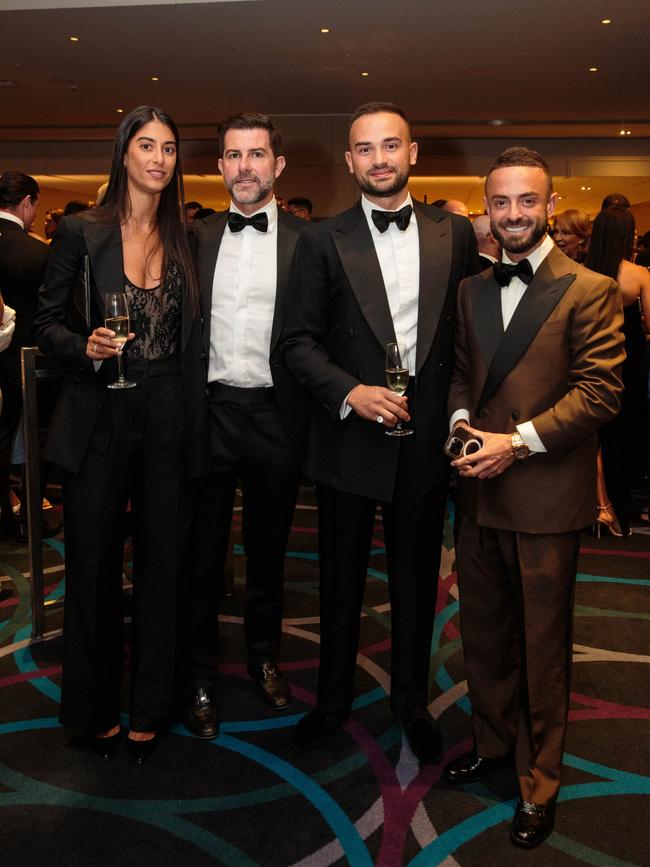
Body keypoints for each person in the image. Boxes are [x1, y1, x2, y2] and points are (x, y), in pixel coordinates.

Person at [282, 101, 480, 763]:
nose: (379, 158)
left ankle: (410, 702)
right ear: (350, 160)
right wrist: (350, 391)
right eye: (365, 148)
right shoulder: (319, 239)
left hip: (424, 447)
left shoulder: (455, 235)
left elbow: (468, 337)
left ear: (413, 152)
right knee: (337, 582)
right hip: (348, 441)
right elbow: (297, 342)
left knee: (418, 584)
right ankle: (331, 700)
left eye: (390, 145)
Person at [444, 146, 624, 848]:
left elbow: (599, 393)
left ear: (549, 205)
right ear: (487, 209)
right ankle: (493, 745)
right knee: (483, 635)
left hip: (545, 494)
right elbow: (462, 374)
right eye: (501, 202)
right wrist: (459, 425)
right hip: (479, 493)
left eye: (527, 201)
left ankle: (539, 780)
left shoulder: (588, 288)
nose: (513, 214)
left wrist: (514, 443)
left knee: (543, 647)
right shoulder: (470, 290)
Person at [33, 105, 209, 764]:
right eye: (147, 145)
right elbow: (44, 324)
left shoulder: (189, 236)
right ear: (124, 153)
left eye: (169, 147)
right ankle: (92, 706)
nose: (160, 158)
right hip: (100, 409)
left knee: (165, 563)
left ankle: (152, 704)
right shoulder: (81, 232)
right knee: (94, 563)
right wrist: (86, 344)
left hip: (169, 408)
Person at [182, 112, 309, 739]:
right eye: (232, 156)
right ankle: (200, 674)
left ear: (277, 166)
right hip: (206, 412)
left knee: (268, 551)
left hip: (275, 417)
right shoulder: (195, 237)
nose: (244, 168)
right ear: (220, 166)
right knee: (201, 553)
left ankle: (264, 658)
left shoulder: (308, 242)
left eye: (256, 155)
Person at [585, 207, 650, 536]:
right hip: (630, 361)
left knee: (590, 436)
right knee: (623, 440)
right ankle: (617, 514)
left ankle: (592, 508)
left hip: (592, 358)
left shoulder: (583, 271)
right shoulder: (638, 275)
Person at [0, 171, 49, 541]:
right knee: (32, 441)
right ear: (28, 201)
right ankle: (29, 515)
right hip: (24, 363)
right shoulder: (36, 253)